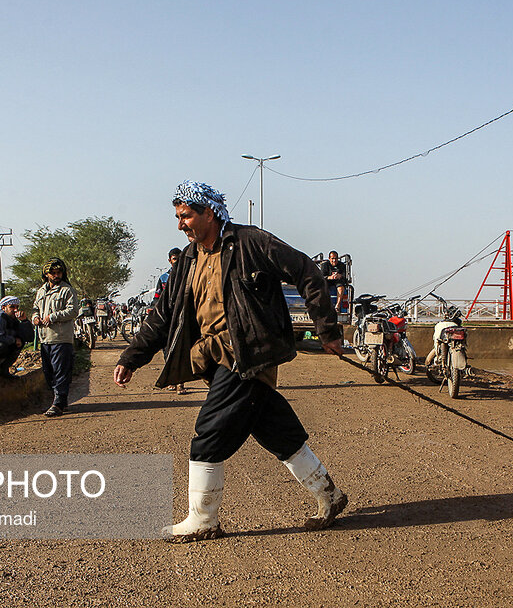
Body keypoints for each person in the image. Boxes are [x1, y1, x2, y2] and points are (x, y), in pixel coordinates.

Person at [114, 180, 347, 543]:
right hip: (213, 357)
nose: (181, 225)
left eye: (186, 216)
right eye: (178, 217)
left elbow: (307, 271)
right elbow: (164, 313)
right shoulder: (189, 259)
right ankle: (330, 497)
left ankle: (202, 519)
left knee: (209, 431)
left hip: (247, 354)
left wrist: (327, 329)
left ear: (209, 212)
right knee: (276, 429)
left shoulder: (251, 242)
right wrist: (133, 356)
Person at [32, 258, 77, 417]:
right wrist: (35, 318)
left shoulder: (67, 290)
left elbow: (73, 311)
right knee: (48, 372)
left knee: (60, 371)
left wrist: (53, 316)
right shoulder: (41, 291)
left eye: (59, 273)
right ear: (46, 274)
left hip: (61, 338)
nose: (56, 275)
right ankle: (61, 401)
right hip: (45, 338)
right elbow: (35, 309)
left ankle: (58, 403)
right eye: (53, 273)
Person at [155, 247, 187, 394]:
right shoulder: (163, 279)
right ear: (170, 260)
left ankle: (181, 382)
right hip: (168, 319)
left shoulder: (188, 275)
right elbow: (157, 299)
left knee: (182, 348)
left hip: (183, 317)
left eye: (179, 259)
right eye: (174, 259)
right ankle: (172, 380)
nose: (177, 262)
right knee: (168, 349)